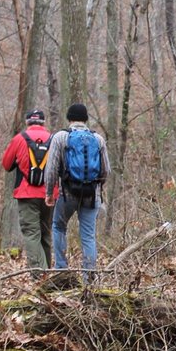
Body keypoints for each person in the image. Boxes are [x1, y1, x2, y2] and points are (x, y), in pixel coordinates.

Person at [43, 103, 110, 276]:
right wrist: (94, 186)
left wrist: (49, 193)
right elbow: (106, 171)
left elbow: (51, 169)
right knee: (88, 235)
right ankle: (89, 276)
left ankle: (61, 270)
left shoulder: (61, 137)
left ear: (69, 118)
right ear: (86, 119)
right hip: (91, 194)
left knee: (58, 226)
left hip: (68, 194)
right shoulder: (98, 139)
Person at [1, 109, 54, 269]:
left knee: (32, 234)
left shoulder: (19, 139)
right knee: (46, 234)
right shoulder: (54, 139)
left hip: (26, 194)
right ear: (44, 123)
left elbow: (6, 164)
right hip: (49, 194)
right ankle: (47, 272)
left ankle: (40, 275)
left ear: (27, 122)